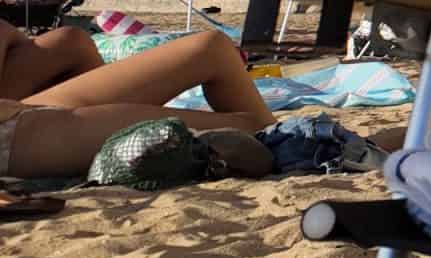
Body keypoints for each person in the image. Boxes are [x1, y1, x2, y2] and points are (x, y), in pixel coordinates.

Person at [0, 22, 275, 180]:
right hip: (14, 136)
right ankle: (280, 140)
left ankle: (277, 138)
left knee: (211, 47)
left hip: (18, 114)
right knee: (249, 126)